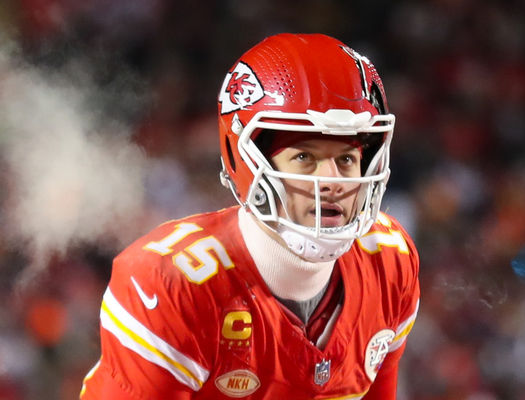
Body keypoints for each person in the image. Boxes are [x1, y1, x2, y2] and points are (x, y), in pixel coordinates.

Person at [80, 33, 420, 400]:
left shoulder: (389, 262)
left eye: (347, 159)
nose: (332, 182)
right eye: (305, 158)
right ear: (247, 162)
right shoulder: (170, 285)